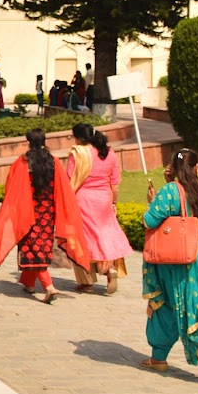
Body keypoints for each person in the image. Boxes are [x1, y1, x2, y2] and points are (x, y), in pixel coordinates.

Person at [141, 148, 198, 388]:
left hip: (176, 264)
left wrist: (154, 199)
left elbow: (150, 220)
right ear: (197, 168)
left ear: (174, 170)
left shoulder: (169, 192)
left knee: (166, 307)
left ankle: (160, 358)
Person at [0, 128, 89, 302]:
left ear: (29, 142)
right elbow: (62, 187)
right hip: (47, 212)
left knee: (33, 248)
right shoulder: (54, 162)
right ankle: (28, 283)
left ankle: (48, 286)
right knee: (40, 245)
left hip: (27, 211)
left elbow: (11, 186)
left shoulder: (23, 162)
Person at [69, 124, 128, 294]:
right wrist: (114, 203)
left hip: (83, 200)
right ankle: (109, 269)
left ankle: (86, 282)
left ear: (79, 138)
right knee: (103, 237)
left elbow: (69, 179)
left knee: (81, 240)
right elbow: (115, 184)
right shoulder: (109, 153)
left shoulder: (78, 154)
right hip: (104, 200)